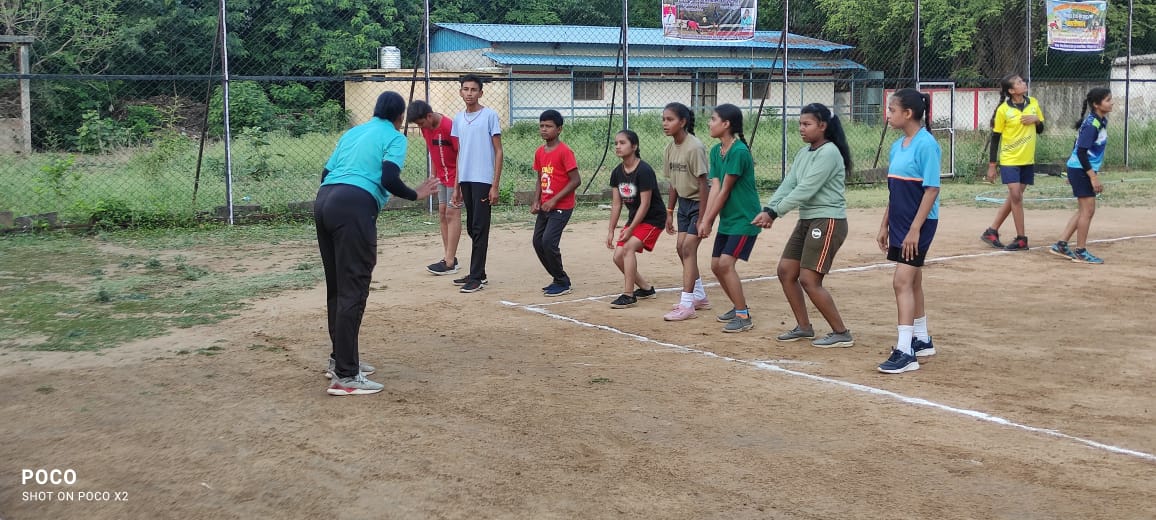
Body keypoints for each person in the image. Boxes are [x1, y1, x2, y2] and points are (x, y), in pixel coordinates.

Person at [316, 91, 439, 395]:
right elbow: (388, 178)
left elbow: (325, 172)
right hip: (353, 206)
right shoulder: (394, 137)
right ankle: (345, 376)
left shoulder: (354, 132)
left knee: (338, 287)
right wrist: (416, 194)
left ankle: (341, 360)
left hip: (324, 201)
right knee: (354, 290)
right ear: (400, 118)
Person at [752, 103, 853, 348]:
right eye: (800, 124)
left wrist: (775, 213)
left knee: (809, 279)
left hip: (828, 220)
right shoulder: (804, 153)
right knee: (786, 271)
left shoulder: (829, 152)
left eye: (806, 124)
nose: (801, 128)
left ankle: (841, 332)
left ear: (823, 126)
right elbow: (789, 184)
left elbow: (807, 189)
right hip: (807, 219)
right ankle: (804, 327)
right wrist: (768, 208)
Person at [876, 89, 941, 374]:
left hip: (920, 223)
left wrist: (915, 229)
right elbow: (895, 191)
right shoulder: (897, 145)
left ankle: (905, 351)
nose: (887, 115)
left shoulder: (927, 144)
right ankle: (922, 339)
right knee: (912, 281)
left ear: (908, 114)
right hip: (900, 221)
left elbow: (931, 189)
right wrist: (884, 223)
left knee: (901, 282)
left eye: (892, 110)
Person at [697, 104, 761, 333]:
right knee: (716, 265)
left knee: (725, 264)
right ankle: (738, 307)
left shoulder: (739, 151)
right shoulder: (716, 151)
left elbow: (725, 190)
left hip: (745, 219)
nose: (709, 123)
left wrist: (707, 220)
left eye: (713, 119)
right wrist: (706, 219)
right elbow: (714, 187)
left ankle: (743, 316)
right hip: (729, 220)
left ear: (726, 124)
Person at [451, 74, 504, 293]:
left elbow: (499, 151)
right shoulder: (458, 119)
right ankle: (478, 272)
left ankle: (476, 277)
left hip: (483, 179)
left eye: (474, 89)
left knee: (480, 228)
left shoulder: (489, 116)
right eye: (466, 89)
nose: (469, 93)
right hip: (466, 179)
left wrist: (495, 184)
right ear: (461, 92)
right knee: (474, 227)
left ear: (481, 93)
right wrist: (456, 186)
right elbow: (460, 152)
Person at [980, 74, 1045, 251]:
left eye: (1022, 81)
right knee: (1016, 196)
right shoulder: (1003, 110)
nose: (1023, 84)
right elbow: (995, 138)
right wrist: (992, 165)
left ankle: (991, 231)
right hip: (1009, 159)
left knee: (1014, 198)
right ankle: (1021, 239)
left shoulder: (1033, 103)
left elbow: (1040, 129)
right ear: (1011, 90)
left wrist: (1036, 120)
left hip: (1027, 159)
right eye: (1019, 83)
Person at [660, 102, 712, 321]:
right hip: (683, 204)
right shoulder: (670, 148)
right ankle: (699, 296)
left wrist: (703, 218)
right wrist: (670, 211)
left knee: (688, 248)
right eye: (663, 119)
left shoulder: (695, 147)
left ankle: (687, 304)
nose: (665, 123)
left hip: (699, 204)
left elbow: (704, 184)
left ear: (683, 122)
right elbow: (673, 182)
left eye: (669, 119)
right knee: (681, 248)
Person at [1049, 87, 1112, 264]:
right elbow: (1082, 151)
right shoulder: (1093, 124)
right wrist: (1092, 176)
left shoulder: (1099, 121)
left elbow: (1078, 145)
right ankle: (1080, 251)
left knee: (1084, 210)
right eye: (1108, 100)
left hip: (1078, 168)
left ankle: (1061, 244)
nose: (1111, 102)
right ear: (1096, 104)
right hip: (1082, 169)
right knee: (1088, 210)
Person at [606, 130, 663, 309]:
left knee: (628, 248)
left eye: (622, 143)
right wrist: (611, 230)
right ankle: (646, 289)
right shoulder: (617, 173)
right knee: (617, 257)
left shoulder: (644, 170)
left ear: (634, 146)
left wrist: (630, 230)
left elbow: (645, 204)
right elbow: (616, 204)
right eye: (616, 143)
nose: (618, 146)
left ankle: (628, 295)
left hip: (653, 218)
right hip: (635, 219)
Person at [406, 100, 462, 276]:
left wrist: (458, 184)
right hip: (441, 176)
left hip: (455, 176)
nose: (421, 127)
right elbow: (432, 150)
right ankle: (449, 256)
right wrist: (433, 176)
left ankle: (449, 262)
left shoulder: (449, 126)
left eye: (421, 123)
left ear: (429, 116)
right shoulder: (426, 128)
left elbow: (461, 154)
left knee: (452, 213)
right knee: (443, 212)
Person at [531, 110, 581, 296]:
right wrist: (536, 200)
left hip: (561, 206)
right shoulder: (539, 152)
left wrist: (554, 200)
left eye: (549, 126)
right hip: (545, 205)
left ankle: (562, 281)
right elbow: (539, 178)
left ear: (559, 129)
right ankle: (557, 278)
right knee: (537, 242)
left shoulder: (565, 152)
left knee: (548, 242)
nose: (544, 129)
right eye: (542, 126)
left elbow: (576, 180)